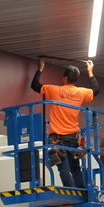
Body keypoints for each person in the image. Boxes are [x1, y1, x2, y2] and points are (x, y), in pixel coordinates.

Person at [30, 58, 99, 188]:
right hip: (73, 138)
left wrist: (40, 68)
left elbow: (35, 85)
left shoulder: (55, 90)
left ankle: (72, 193)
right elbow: (95, 90)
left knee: (63, 168)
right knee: (75, 168)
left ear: (64, 79)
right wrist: (90, 72)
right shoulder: (81, 93)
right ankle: (80, 191)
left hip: (57, 139)